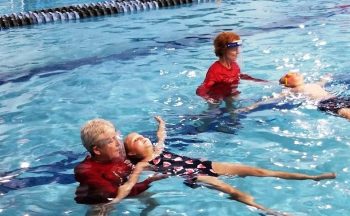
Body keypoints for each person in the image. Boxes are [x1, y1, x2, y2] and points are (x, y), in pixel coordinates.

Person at [124, 116, 336, 213]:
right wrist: (116, 196)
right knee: (227, 188)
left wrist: (161, 123)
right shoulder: (144, 164)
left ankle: (312, 177)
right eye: (135, 140)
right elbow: (131, 182)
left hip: (205, 164)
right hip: (193, 176)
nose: (142, 137)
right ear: (133, 152)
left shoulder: (159, 149)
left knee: (257, 171)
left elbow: (161, 135)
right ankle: (268, 211)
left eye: (141, 135)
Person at [74, 118, 166, 205]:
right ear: (97, 150)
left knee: (153, 203)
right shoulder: (87, 171)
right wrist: (146, 178)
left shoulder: (115, 154)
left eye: (116, 137)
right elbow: (115, 196)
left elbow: (156, 149)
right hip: (101, 201)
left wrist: (161, 128)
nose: (118, 143)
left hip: (124, 187)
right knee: (101, 209)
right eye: (111, 141)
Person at [236, 71, 350, 120]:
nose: (294, 73)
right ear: (288, 84)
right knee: (344, 112)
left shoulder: (312, 84)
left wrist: (325, 77)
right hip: (325, 103)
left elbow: (322, 82)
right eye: (288, 75)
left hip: (335, 98)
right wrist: (249, 107)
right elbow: (271, 99)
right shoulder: (291, 91)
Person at [196, 31, 267, 110]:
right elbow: (200, 90)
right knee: (212, 114)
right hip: (216, 98)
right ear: (224, 50)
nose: (238, 52)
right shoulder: (215, 70)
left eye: (238, 49)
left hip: (230, 94)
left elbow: (239, 75)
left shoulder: (234, 65)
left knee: (234, 116)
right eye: (234, 49)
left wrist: (259, 81)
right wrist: (210, 99)